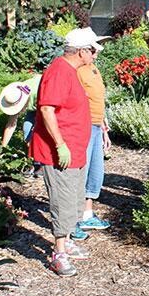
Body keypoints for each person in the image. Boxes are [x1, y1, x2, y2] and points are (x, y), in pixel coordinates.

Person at [32, 28, 104, 277]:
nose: (94, 56)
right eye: (92, 51)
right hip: (59, 152)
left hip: (76, 150)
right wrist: (60, 144)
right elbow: (47, 109)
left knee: (74, 198)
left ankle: (68, 241)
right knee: (62, 200)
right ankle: (58, 252)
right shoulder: (59, 71)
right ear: (82, 51)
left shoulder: (72, 71)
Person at [76, 28, 113, 234]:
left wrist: (103, 127)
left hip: (96, 125)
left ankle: (88, 214)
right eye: (93, 48)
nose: (97, 51)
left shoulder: (94, 70)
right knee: (82, 169)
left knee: (95, 172)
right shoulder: (78, 70)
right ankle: (75, 217)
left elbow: (98, 99)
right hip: (84, 125)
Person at [0, 73, 42, 177]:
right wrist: (1, 150)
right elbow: (10, 125)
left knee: (36, 138)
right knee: (27, 133)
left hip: (44, 106)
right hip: (32, 108)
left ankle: (42, 165)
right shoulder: (16, 94)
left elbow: (46, 117)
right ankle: (32, 162)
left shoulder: (38, 92)